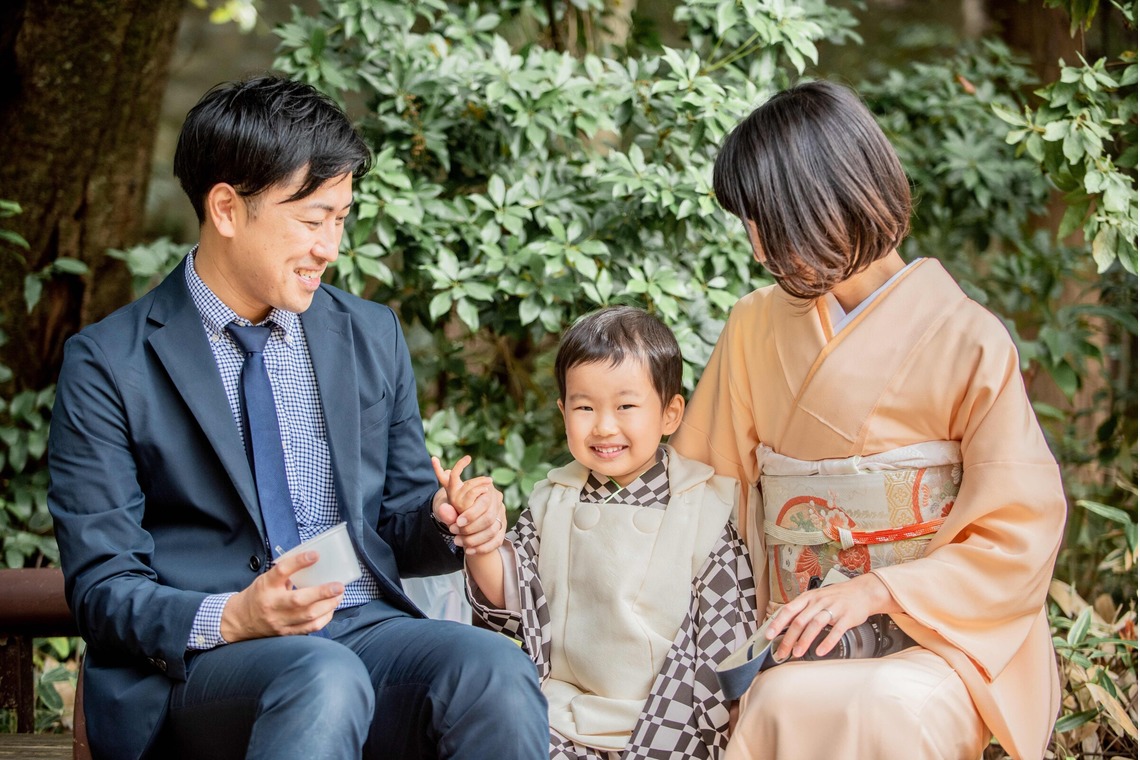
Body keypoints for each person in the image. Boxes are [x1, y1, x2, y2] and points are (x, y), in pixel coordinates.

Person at [47, 75, 547, 760]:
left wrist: (447, 518)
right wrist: (235, 615)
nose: (330, 248)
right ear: (226, 208)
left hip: (360, 630)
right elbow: (103, 588)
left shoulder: (368, 334)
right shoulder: (107, 363)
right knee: (324, 676)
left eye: (341, 220)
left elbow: (398, 519)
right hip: (202, 667)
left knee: (491, 670)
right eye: (312, 220)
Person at [670, 80, 1066, 760]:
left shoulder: (967, 338)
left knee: (887, 706)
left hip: (942, 637)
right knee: (775, 696)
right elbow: (702, 497)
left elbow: (1017, 532)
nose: (758, 250)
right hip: (797, 630)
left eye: (767, 223)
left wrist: (879, 591)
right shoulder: (750, 328)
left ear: (825, 202)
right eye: (750, 227)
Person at [434, 306, 758, 760]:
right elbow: (513, 602)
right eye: (584, 407)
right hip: (558, 707)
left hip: (672, 712)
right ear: (563, 409)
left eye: (626, 406)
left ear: (670, 413)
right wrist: (481, 541)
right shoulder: (553, 499)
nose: (604, 426)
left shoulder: (704, 506)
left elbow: (723, 637)